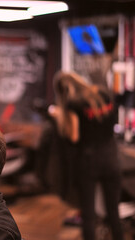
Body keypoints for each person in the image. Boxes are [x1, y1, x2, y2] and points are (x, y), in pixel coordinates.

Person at [48, 71, 124, 240]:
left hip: (88, 161)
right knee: (113, 212)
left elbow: (74, 136)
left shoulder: (73, 104)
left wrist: (59, 116)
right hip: (111, 156)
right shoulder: (103, 94)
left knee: (88, 215)